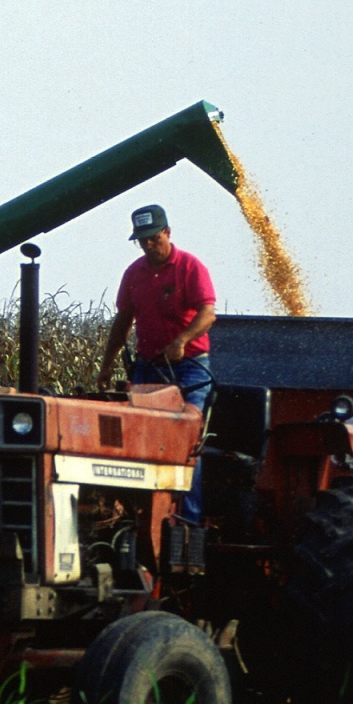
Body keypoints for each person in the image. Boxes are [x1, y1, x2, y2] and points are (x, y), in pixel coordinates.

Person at [96, 203, 217, 526]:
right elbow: (123, 322)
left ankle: (187, 525)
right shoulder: (134, 274)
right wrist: (107, 365)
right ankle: (133, 518)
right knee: (133, 435)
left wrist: (181, 340)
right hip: (149, 367)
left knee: (187, 435)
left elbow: (208, 314)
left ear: (167, 232)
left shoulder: (190, 267)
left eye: (153, 238)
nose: (149, 246)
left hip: (190, 367)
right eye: (142, 240)